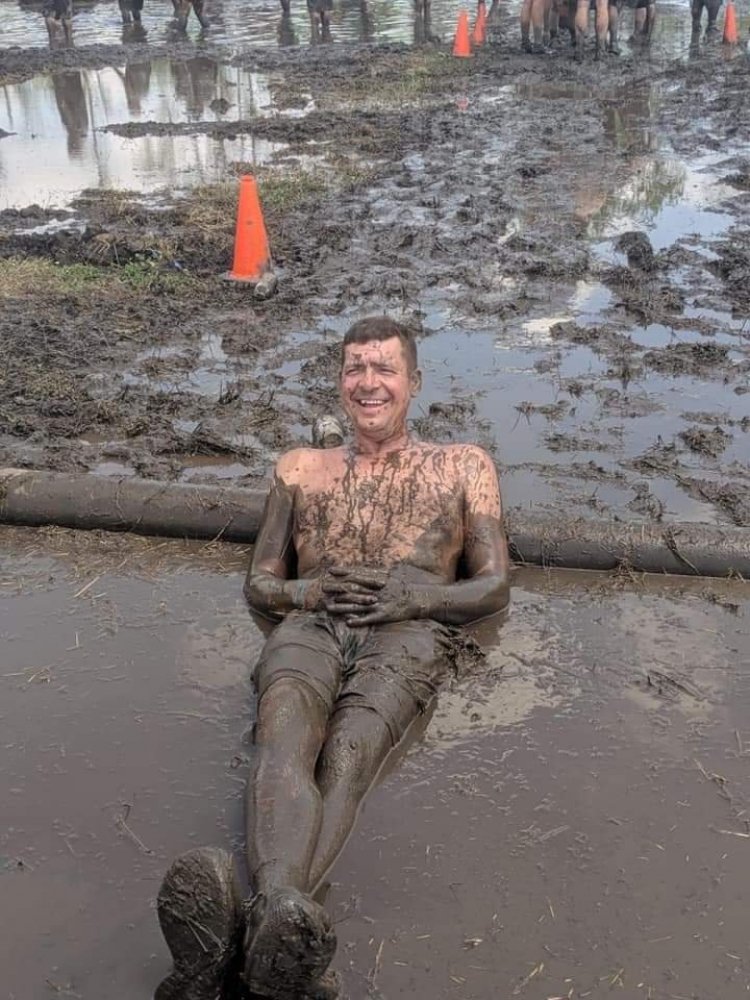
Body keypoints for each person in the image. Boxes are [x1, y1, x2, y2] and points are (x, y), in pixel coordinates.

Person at [155, 316, 511, 1000]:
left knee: (350, 752)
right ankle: (277, 935)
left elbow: (492, 588)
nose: (368, 383)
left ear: (414, 381)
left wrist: (416, 599)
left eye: (384, 369)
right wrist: (307, 591)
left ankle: (240, 937)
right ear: (340, 380)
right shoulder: (299, 468)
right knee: (283, 736)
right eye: (355, 368)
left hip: (411, 628)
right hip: (312, 621)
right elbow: (262, 581)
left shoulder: (464, 465)